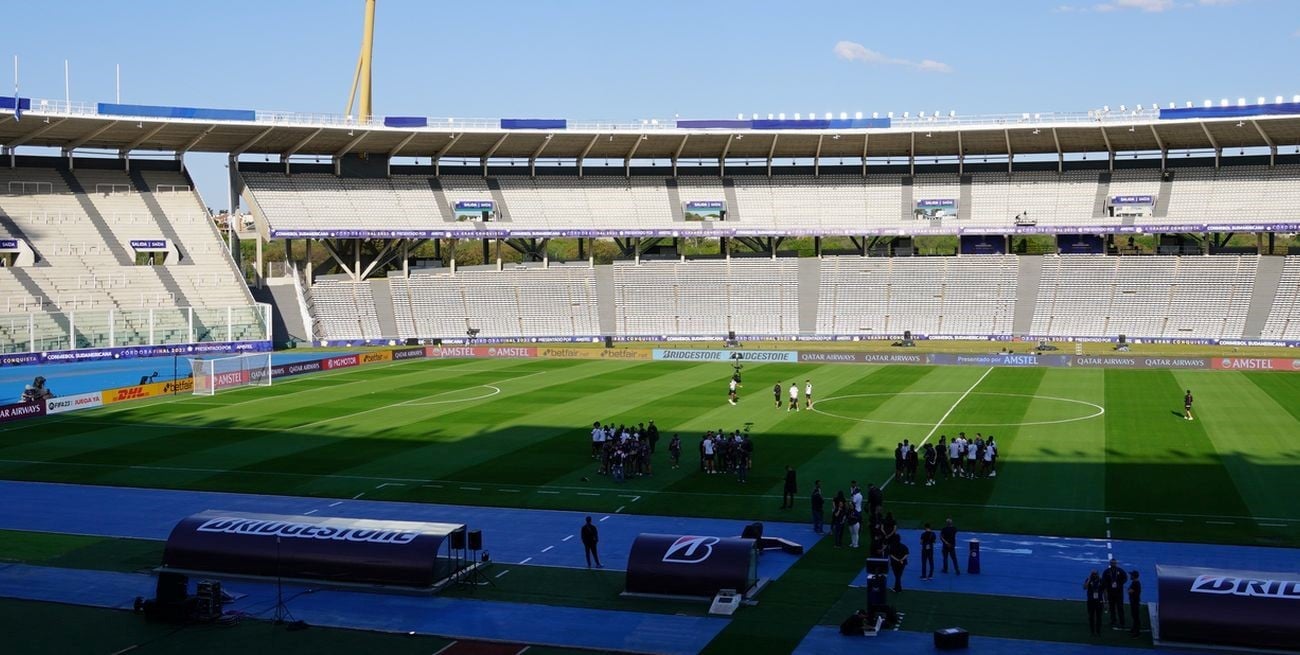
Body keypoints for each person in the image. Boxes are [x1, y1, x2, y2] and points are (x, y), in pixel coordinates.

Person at [1101, 559, 1128, 628]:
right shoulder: (1107, 571)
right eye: (1112, 563)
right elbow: (1103, 580)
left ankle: (1122, 622)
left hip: (1119, 593)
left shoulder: (1120, 570)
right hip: (1110, 592)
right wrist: (1107, 586)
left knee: (1120, 607)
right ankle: (1113, 621)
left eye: (1114, 563)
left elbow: (1125, 578)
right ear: (1110, 563)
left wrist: (1120, 584)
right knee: (1112, 607)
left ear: (1116, 563)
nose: (1113, 564)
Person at [1084, 570, 1104, 636]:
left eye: (1095, 574)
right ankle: (1092, 631)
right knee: (1091, 617)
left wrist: (1106, 601)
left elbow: (1105, 590)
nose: (1094, 575)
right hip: (1091, 601)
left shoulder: (1101, 580)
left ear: (1098, 574)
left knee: (1099, 617)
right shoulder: (1089, 580)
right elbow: (1085, 587)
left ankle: (1098, 631)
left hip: (1099, 601)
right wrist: (1089, 579)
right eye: (1093, 574)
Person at [1128, 570, 1142, 637]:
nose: (1130, 576)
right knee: (1134, 616)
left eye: (1131, 575)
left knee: (1136, 617)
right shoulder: (1135, 582)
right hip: (1134, 601)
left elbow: (1130, 591)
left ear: (1133, 576)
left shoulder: (1135, 583)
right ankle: (1134, 629)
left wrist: (1129, 590)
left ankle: (1137, 632)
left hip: (1135, 602)